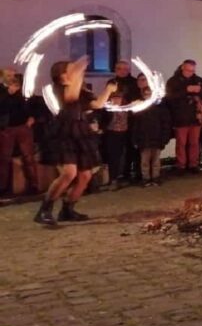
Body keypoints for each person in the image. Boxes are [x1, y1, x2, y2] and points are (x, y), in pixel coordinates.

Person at [34, 58, 117, 225]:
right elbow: (70, 96)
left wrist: (108, 90)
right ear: (62, 75)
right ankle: (44, 210)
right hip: (64, 133)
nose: (78, 72)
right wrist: (79, 70)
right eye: (72, 70)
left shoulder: (82, 91)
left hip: (81, 132)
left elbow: (98, 104)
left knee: (85, 175)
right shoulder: (58, 89)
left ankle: (67, 210)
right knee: (69, 173)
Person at [165, 59, 202, 174]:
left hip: (195, 117)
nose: (190, 73)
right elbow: (169, 97)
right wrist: (186, 90)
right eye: (187, 70)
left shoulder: (198, 80)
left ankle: (193, 164)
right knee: (181, 143)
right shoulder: (173, 81)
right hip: (180, 117)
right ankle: (181, 165)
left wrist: (200, 91)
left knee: (194, 142)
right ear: (182, 68)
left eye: (192, 71)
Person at [0, 73, 37, 195]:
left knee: (28, 157)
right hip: (7, 128)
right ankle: (3, 188)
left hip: (22, 127)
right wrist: (8, 93)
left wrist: (31, 118)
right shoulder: (3, 93)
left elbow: (30, 106)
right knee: (4, 158)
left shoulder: (23, 94)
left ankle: (33, 185)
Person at [131, 85, 171, 187]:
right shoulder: (139, 108)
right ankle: (146, 178)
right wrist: (135, 139)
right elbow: (135, 126)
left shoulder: (160, 108)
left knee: (156, 160)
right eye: (146, 94)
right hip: (144, 139)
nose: (148, 96)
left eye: (149, 94)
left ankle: (155, 177)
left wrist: (165, 138)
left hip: (157, 138)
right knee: (144, 160)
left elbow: (165, 124)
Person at [112, 60, 141, 182]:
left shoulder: (134, 83)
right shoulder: (111, 83)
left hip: (132, 119)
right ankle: (118, 174)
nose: (123, 71)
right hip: (116, 122)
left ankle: (131, 172)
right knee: (117, 148)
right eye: (120, 69)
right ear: (115, 70)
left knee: (132, 147)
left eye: (125, 69)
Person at [100, 92, 130, 189]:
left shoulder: (127, 109)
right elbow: (103, 121)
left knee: (123, 157)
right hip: (111, 135)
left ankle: (120, 178)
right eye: (114, 98)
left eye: (118, 97)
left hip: (124, 135)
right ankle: (112, 180)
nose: (116, 100)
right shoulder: (107, 110)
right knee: (113, 158)